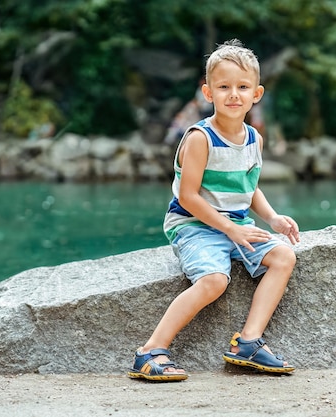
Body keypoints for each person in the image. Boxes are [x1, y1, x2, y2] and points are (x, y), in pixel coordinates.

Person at [128, 39, 300, 382]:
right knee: (214, 281)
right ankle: (150, 352)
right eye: (224, 87)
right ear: (208, 93)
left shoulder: (254, 139)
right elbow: (189, 197)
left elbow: (248, 189)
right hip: (195, 225)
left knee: (283, 257)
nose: (233, 94)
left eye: (242, 87)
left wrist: (273, 218)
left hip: (235, 223)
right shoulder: (199, 139)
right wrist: (232, 230)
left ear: (257, 94)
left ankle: (248, 342)